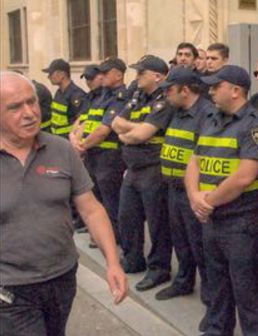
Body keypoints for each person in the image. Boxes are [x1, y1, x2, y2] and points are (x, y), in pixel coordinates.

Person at [0, 71, 127, 335]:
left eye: (31, 102)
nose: (29, 113)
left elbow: (91, 209)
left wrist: (113, 263)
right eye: (15, 107)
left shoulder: (61, 150)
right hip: (10, 289)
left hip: (62, 278)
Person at [185, 65, 258, 335]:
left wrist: (207, 200)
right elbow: (194, 162)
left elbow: (245, 176)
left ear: (235, 91)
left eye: (216, 86)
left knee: (249, 292)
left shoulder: (256, 124)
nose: (210, 91)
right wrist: (194, 196)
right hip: (212, 220)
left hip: (241, 223)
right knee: (216, 286)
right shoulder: (210, 119)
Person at [111, 55, 174, 292]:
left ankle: (159, 268)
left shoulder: (164, 100)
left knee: (157, 223)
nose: (136, 76)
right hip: (133, 168)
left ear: (157, 76)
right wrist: (134, 131)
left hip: (153, 169)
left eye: (141, 72)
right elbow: (117, 124)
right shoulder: (137, 96)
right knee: (127, 217)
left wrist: (133, 132)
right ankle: (133, 259)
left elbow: (142, 135)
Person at [157, 66, 213, 332]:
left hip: (194, 192)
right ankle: (183, 281)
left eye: (169, 89)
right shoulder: (176, 111)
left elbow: (202, 156)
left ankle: (212, 302)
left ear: (185, 90)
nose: (166, 94)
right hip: (173, 189)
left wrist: (196, 194)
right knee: (181, 242)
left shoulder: (206, 114)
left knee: (201, 247)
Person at [74, 57, 128, 243]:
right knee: (95, 197)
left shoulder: (120, 97)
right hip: (93, 156)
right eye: (100, 73)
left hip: (109, 158)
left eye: (106, 73)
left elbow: (103, 131)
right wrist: (78, 141)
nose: (101, 76)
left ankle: (114, 238)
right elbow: (87, 121)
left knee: (110, 202)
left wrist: (81, 146)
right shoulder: (101, 95)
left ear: (119, 75)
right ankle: (99, 235)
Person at [42, 58, 86, 137]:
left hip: (68, 141)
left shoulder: (76, 95)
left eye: (51, 74)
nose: (48, 77)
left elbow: (82, 121)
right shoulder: (59, 92)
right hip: (57, 139)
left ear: (62, 75)